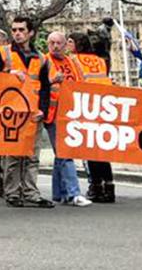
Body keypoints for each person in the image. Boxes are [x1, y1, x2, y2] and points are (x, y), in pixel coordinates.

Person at [0, 21, 53, 209]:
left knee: (32, 156)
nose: (17, 33)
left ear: (30, 33)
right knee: (13, 155)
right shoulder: (3, 53)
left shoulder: (41, 58)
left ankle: (31, 193)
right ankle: (12, 192)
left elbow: (45, 87)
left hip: (33, 113)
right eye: (14, 30)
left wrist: (43, 108)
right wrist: (8, 73)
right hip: (11, 113)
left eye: (21, 30)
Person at [38, 31, 91, 207]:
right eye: (51, 43)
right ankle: (73, 193)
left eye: (58, 43)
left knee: (60, 153)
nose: (55, 46)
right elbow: (37, 86)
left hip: (71, 114)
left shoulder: (73, 62)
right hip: (53, 114)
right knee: (65, 152)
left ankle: (58, 193)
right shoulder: (43, 62)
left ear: (65, 45)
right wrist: (52, 81)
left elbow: (81, 83)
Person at [69, 31, 116, 203]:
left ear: (76, 44)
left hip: (85, 106)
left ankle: (95, 186)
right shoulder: (99, 60)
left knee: (89, 151)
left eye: (69, 42)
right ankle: (109, 187)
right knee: (102, 150)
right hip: (103, 106)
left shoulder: (73, 60)